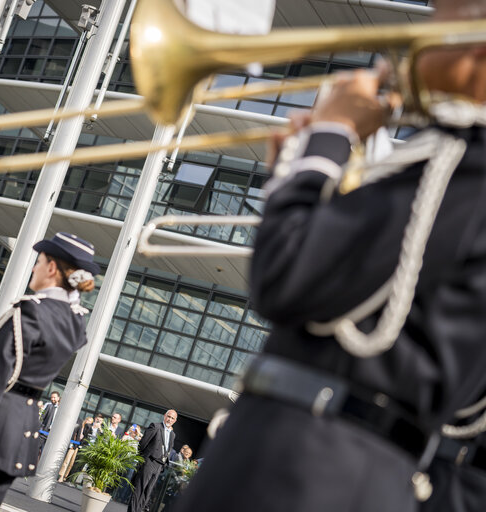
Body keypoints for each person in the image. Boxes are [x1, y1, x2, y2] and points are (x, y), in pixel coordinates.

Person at [174, 1, 486, 511]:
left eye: (441, 17)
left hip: (302, 466)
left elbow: (286, 278)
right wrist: (297, 179)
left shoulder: (458, 165)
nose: (424, 33)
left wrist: (330, 137)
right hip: (344, 469)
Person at [0, 232, 99, 512]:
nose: (33, 267)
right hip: (20, 430)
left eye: (39, 261)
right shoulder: (73, 321)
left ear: (52, 268)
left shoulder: (29, 311)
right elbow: (71, 310)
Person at [128, 410, 177, 512]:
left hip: (159, 466)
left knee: (148, 492)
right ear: (164, 416)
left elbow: (168, 449)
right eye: (169, 416)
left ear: (175, 421)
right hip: (149, 462)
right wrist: (142, 460)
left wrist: (163, 465)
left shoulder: (172, 434)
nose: (170, 419)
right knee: (139, 489)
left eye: (172, 418)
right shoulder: (155, 426)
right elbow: (143, 444)